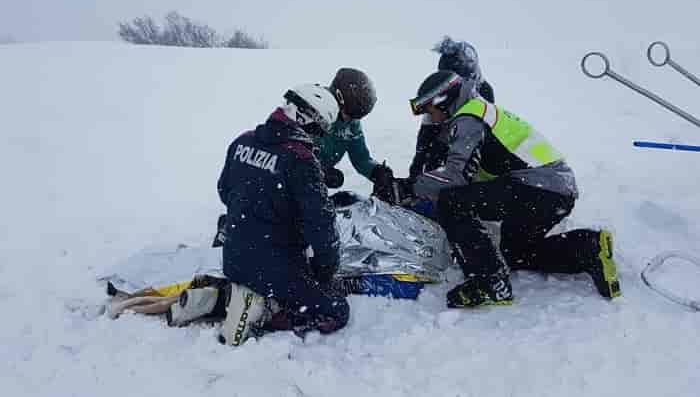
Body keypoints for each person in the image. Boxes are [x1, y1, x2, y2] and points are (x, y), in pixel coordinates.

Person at [378, 70, 621, 308]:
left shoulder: (468, 120)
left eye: (429, 110)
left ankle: (490, 282)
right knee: (516, 253)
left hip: (538, 187)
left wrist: (405, 188)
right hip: (553, 192)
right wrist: (413, 184)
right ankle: (588, 247)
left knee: (452, 201)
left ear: (444, 100)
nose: (430, 117)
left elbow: (455, 177)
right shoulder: (477, 110)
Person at [170, 83, 349, 345]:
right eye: (318, 132)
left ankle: (221, 298)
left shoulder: (243, 140)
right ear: (308, 120)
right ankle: (264, 313)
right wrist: (325, 271)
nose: (316, 139)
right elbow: (321, 229)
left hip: (232, 256)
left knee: (267, 267)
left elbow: (225, 192)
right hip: (273, 266)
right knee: (336, 309)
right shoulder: (302, 160)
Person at [409, 37, 495, 180]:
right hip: (444, 130)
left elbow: (476, 138)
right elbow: (425, 140)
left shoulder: (485, 92)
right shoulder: (438, 100)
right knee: (432, 153)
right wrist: (414, 178)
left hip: (468, 139)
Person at [318, 68, 394, 190]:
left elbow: (361, 158)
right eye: (349, 114)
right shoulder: (312, 112)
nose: (351, 120)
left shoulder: (351, 123)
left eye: (356, 116)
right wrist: (318, 172)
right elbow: (288, 153)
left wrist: (376, 172)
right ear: (337, 99)